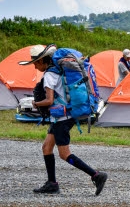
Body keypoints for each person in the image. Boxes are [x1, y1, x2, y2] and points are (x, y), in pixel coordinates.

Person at [19, 44, 108, 196]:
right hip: (62, 116)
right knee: (47, 147)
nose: (34, 66)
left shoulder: (48, 75)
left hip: (62, 118)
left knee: (64, 154)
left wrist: (35, 103)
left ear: (42, 61)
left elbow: (49, 100)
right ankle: (52, 183)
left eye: (35, 63)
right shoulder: (57, 71)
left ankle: (96, 175)